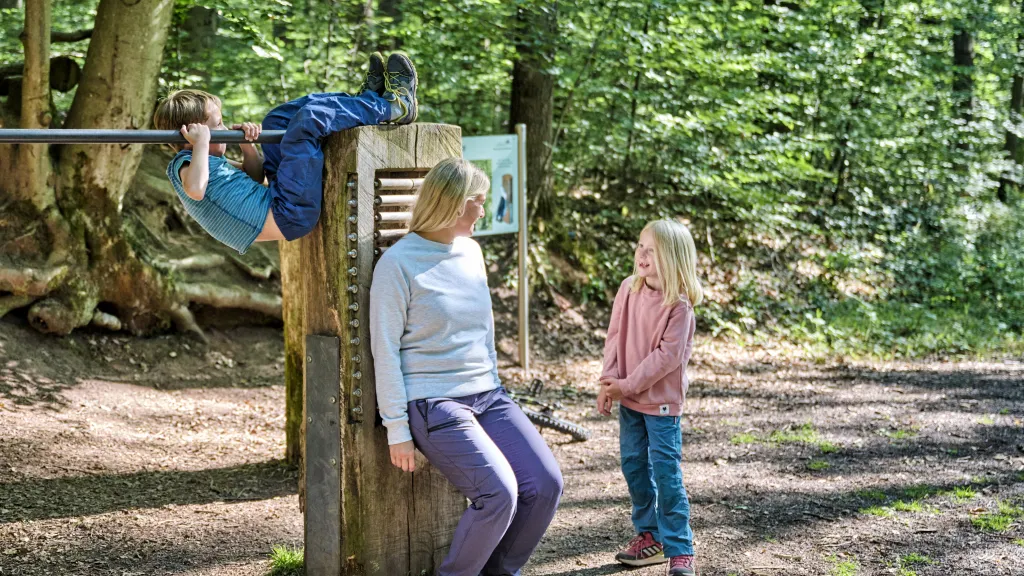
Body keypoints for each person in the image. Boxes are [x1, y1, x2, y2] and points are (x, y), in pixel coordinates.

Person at [369, 158, 563, 576]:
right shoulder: (397, 265)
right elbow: (383, 352)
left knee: (546, 485)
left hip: (488, 394)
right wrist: (397, 429)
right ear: (455, 204)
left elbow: (484, 333)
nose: (484, 210)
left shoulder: (472, 252)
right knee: (499, 494)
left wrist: (495, 386)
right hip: (434, 403)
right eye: (480, 201)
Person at [152, 52, 417, 254]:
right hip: (289, 213)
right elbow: (196, 189)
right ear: (194, 135)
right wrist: (200, 145)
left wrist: (247, 144)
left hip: (281, 197)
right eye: (216, 125)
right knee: (308, 122)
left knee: (276, 120)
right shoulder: (185, 166)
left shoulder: (207, 161)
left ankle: (365, 100)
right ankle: (394, 108)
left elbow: (255, 176)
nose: (222, 129)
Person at [596, 219, 704, 576]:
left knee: (666, 473)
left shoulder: (679, 306)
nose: (642, 254)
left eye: (651, 249)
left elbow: (666, 358)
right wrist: (607, 382)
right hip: (628, 402)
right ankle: (650, 537)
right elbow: (614, 337)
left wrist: (625, 385)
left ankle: (679, 548)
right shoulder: (629, 289)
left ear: (672, 257)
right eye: (640, 246)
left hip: (660, 405)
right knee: (633, 467)